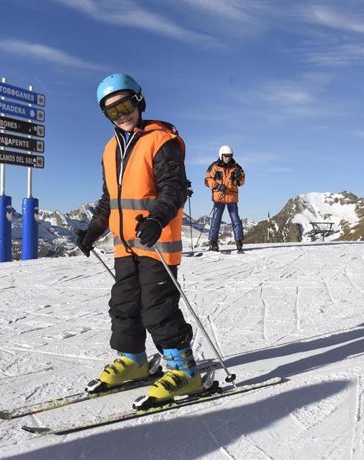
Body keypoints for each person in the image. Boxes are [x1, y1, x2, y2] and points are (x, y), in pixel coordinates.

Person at [75, 73, 202, 404]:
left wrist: (157, 219)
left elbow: (174, 188)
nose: (122, 115)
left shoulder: (162, 140)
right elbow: (110, 200)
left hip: (156, 242)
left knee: (157, 308)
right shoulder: (109, 149)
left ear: (140, 101)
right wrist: (92, 232)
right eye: (112, 112)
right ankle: (134, 361)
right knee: (124, 306)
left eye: (126, 106)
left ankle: (184, 371)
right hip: (124, 245)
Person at [204, 145, 246, 252]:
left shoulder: (236, 167)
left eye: (229, 156)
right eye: (225, 156)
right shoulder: (215, 166)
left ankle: (239, 241)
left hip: (231, 197)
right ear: (221, 155)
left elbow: (241, 182)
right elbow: (207, 179)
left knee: (236, 220)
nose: (228, 158)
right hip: (219, 197)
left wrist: (239, 178)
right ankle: (213, 243)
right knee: (216, 220)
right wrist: (217, 186)